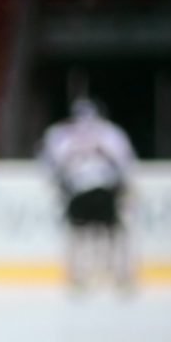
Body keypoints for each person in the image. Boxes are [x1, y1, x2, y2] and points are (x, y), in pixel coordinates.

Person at [40, 96, 137, 293]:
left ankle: (80, 275)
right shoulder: (110, 133)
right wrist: (124, 187)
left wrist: (61, 184)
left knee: (80, 233)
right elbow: (126, 162)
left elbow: (49, 164)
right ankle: (119, 274)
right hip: (103, 190)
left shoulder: (61, 134)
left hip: (79, 190)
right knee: (113, 232)